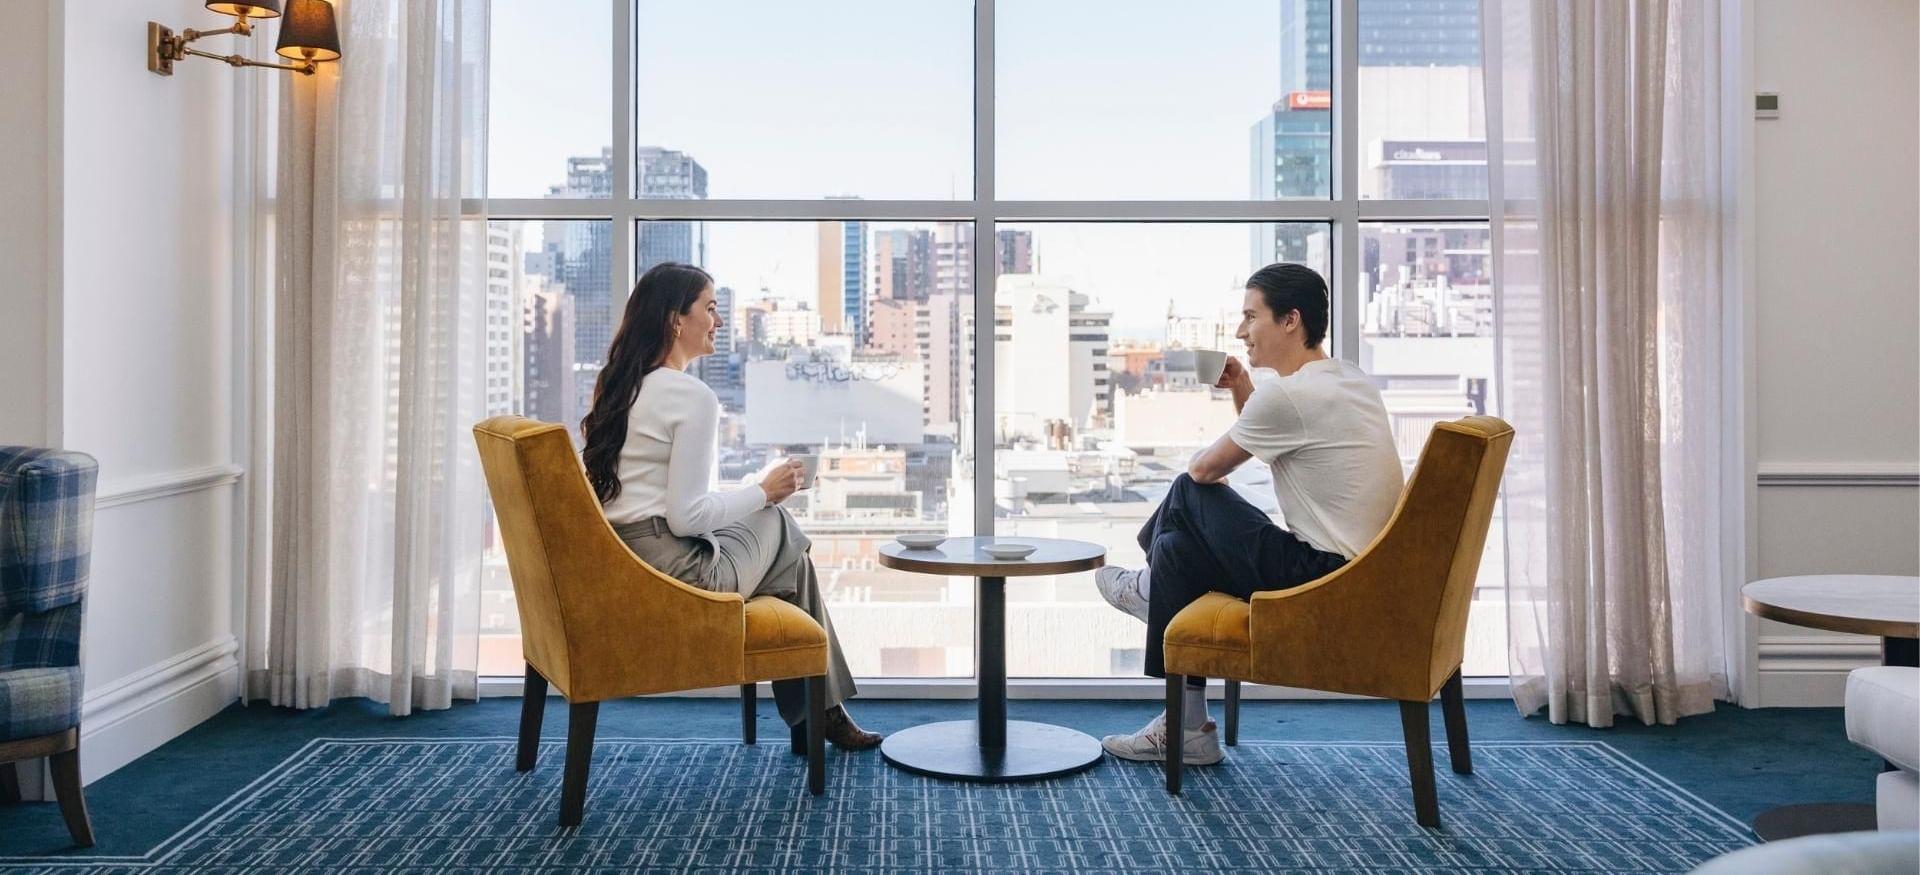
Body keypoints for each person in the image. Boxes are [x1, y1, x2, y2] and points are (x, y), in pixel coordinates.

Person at [1094, 263, 1404, 765]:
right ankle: (1188, 727)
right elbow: (1278, 425)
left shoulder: (1291, 395)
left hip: (1323, 580)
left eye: (1249, 316)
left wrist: (1245, 394)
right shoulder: (1348, 379)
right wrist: (1241, 383)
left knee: (1187, 488)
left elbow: (1204, 470)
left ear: (1290, 320)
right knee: (1175, 551)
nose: (1240, 332)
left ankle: (1148, 593)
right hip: (1365, 574)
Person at [581, 261, 882, 750]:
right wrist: (765, 491)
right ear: (677, 320)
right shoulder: (691, 396)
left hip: (626, 566)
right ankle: (820, 713)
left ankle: (819, 715)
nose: (719, 321)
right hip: (679, 577)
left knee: (785, 550)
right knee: (781, 523)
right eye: (712, 308)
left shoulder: (620, 386)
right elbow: (686, 517)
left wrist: (749, 494)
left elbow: (657, 498)